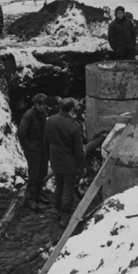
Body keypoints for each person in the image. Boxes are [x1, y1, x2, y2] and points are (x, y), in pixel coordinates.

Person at [44, 97, 86, 227]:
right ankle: (65, 217)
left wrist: (49, 157)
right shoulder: (74, 126)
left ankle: (57, 210)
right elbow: (78, 150)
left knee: (59, 186)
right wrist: (82, 166)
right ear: (72, 109)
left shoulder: (50, 120)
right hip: (69, 162)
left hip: (55, 160)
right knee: (68, 189)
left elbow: (46, 140)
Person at [16, 93, 49, 211]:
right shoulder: (28, 115)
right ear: (34, 104)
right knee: (33, 175)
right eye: (40, 104)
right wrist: (28, 148)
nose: (42, 107)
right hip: (33, 150)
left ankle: (38, 195)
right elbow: (21, 133)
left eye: (44, 104)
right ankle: (31, 199)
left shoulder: (43, 113)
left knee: (43, 172)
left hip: (42, 148)